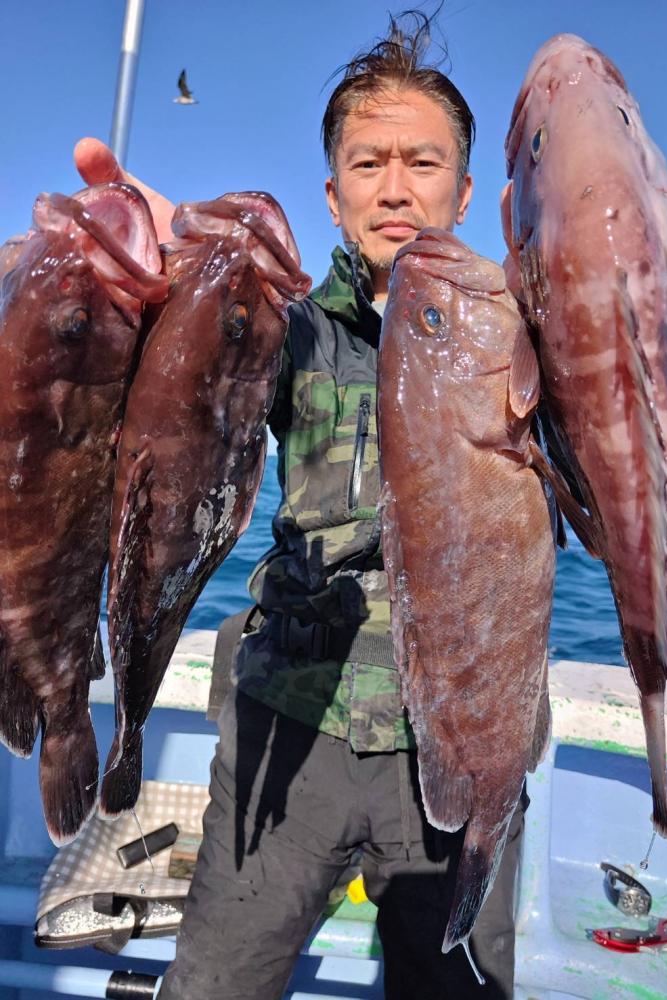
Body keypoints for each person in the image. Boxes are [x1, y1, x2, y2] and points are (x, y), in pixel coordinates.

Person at [76, 13, 528, 1000]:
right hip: (290, 719)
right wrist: (167, 298)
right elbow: (198, 390)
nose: (395, 188)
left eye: (423, 163)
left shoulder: (521, 337)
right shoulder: (287, 325)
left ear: (466, 191)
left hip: (460, 738)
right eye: (368, 164)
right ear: (333, 194)